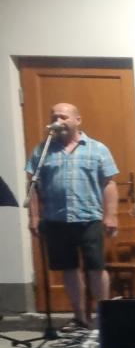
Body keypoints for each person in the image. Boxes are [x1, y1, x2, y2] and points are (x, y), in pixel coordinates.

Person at [24, 102, 119, 330]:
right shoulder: (42, 150)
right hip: (56, 220)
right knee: (68, 268)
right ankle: (80, 318)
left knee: (96, 267)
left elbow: (109, 183)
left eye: (63, 117)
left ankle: (102, 319)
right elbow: (33, 185)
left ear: (78, 120)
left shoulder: (97, 149)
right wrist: (34, 217)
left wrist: (111, 215)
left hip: (89, 218)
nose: (58, 121)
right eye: (54, 117)